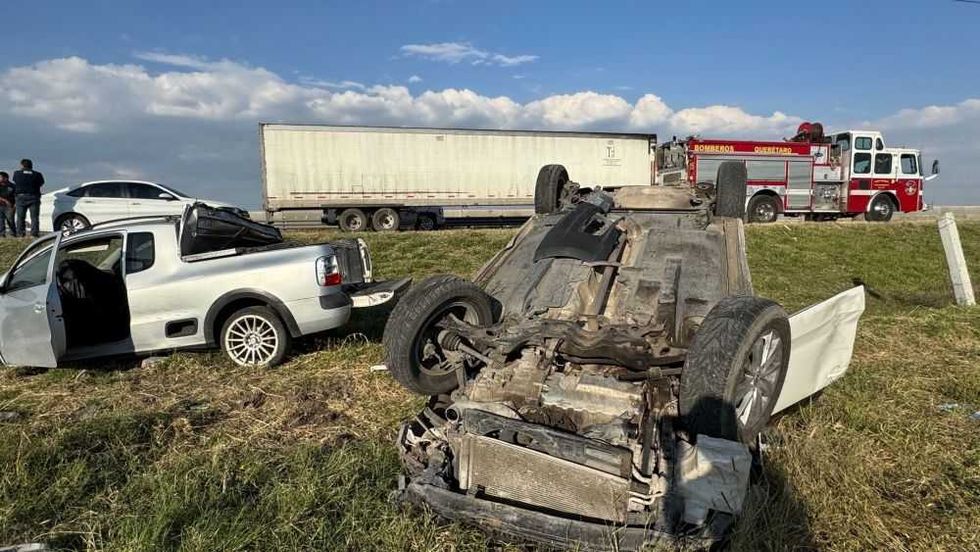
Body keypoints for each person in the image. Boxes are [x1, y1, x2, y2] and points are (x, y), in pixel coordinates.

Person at [12, 159, 44, 237]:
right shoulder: (37, 174)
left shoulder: (17, 173)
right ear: (31, 165)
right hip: (34, 196)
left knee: (20, 217)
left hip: (20, 196)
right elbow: (41, 183)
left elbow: (15, 181)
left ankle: (20, 233)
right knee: (34, 217)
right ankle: (34, 233)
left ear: (22, 165)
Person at [0, 172, 15, 237]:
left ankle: (13, 234)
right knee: (1, 220)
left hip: (10, 206)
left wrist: (14, 206)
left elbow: (16, 196)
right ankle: (2, 234)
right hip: (0, 205)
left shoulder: (12, 186)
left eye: (0, 177)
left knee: (10, 220)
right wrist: (5, 200)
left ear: (5, 178)